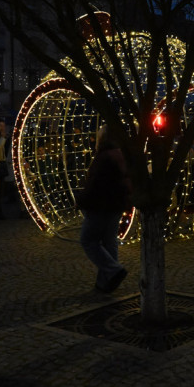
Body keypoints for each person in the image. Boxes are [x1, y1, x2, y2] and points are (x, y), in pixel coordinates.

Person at [75, 124, 132, 293]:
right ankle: (105, 282)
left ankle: (113, 270)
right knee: (109, 241)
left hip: (101, 204)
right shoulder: (120, 154)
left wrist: (81, 200)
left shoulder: (104, 157)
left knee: (88, 239)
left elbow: (95, 184)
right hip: (116, 204)